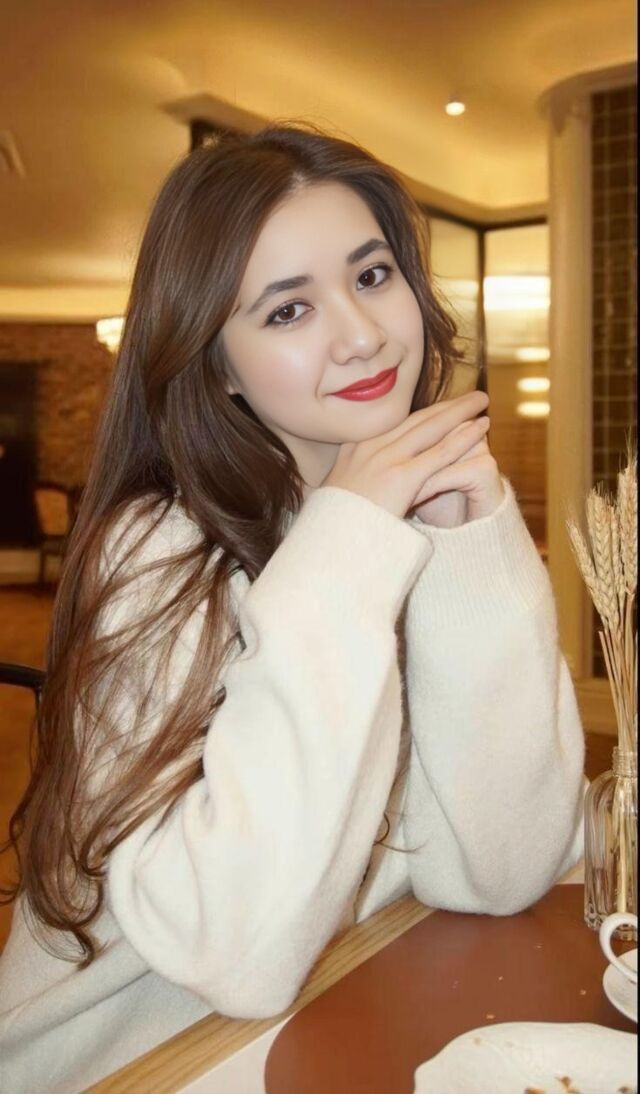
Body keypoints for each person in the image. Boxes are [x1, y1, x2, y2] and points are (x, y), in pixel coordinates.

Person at [0, 123, 585, 1093]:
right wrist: (347, 544)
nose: (362, 334)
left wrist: (473, 549)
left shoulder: (414, 511)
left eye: (371, 275)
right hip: (137, 1060)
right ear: (218, 365)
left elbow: (500, 871)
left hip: (354, 999)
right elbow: (239, 955)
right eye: (287, 309)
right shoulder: (159, 551)